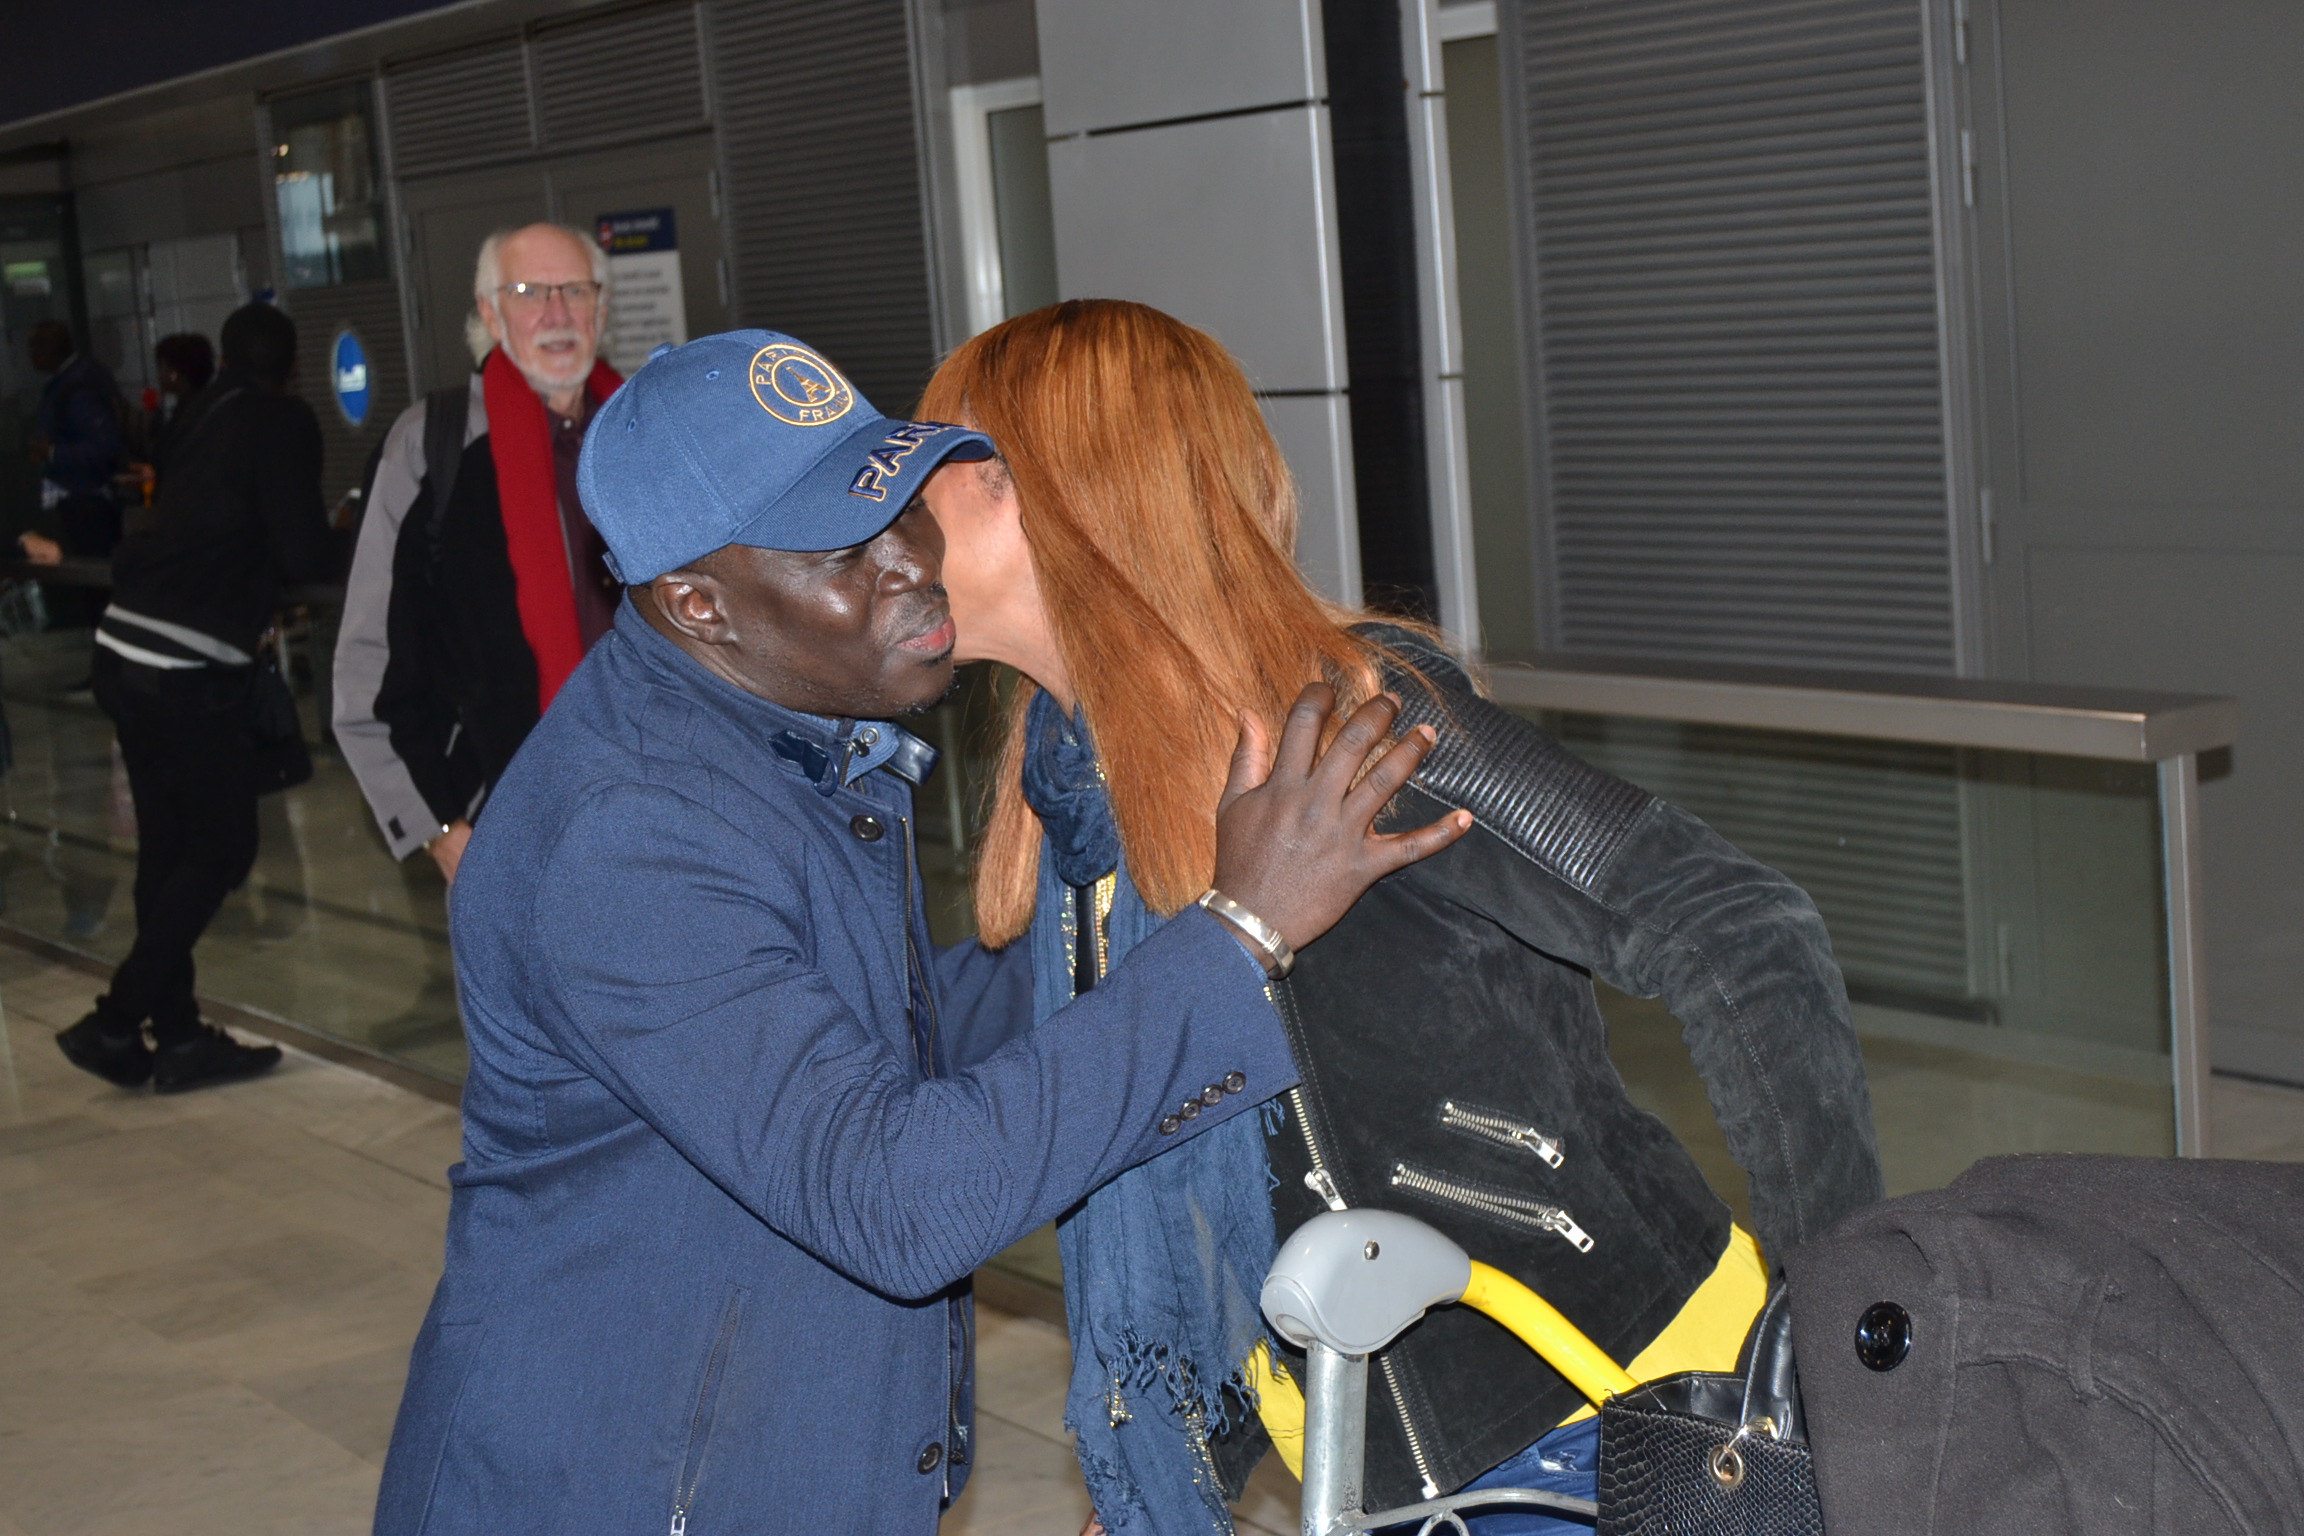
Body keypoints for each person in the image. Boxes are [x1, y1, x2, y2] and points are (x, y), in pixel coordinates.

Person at [371, 329, 1470, 1533]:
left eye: (901, 502)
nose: (913, 561)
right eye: (848, 547)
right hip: (632, 1495)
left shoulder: (781, 722)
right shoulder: (626, 840)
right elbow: (898, 1198)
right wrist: (1242, 929)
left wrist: (1134, 888)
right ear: (698, 603)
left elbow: (897, 1026)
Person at [917, 299, 1887, 1534]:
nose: (898, 515)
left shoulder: (1365, 725)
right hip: (1369, 1462)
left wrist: (1845, 1339)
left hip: (1623, 1424)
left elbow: (1741, 929)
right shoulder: (1081, 800)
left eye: (947, 471)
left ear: (1063, 495)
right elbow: (1204, 1169)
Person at [52, 302, 334, 1094]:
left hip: (124, 647)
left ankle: (174, 1040)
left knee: (168, 852)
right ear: (292, 366)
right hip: (187, 664)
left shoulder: (202, 412)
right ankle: (116, 1019)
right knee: (221, 848)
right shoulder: (281, 420)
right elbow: (302, 546)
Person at [334, 222, 621, 886]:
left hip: (653, 801)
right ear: (491, 314)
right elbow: (367, 660)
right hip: (504, 817)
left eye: (574, 291)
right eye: (528, 293)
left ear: (601, 309)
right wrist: (435, 823)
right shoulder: (430, 447)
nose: (556, 314)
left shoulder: (641, 432)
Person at [21, 318, 125, 564]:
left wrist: (53, 453)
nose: (30, 356)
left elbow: (103, 446)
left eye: (35, 347)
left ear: (50, 349)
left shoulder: (76, 389)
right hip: (87, 497)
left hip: (84, 500)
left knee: (89, 576)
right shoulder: (77, 376)